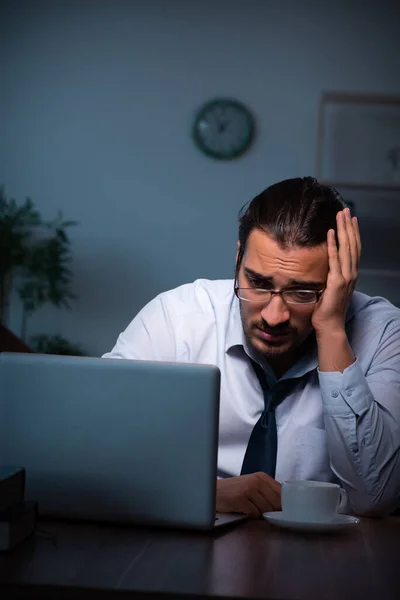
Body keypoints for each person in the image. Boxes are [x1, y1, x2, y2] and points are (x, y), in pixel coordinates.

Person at [103, 177, 400, 518]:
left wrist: (331, 329)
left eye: (303, 292)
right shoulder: (176, 320)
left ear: (339, 282)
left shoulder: (384, 335)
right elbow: (98, 451)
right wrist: (203, 494)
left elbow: (376, 497)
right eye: (258, 283)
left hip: (327, 558)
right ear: (237, 261)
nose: (275, 317)